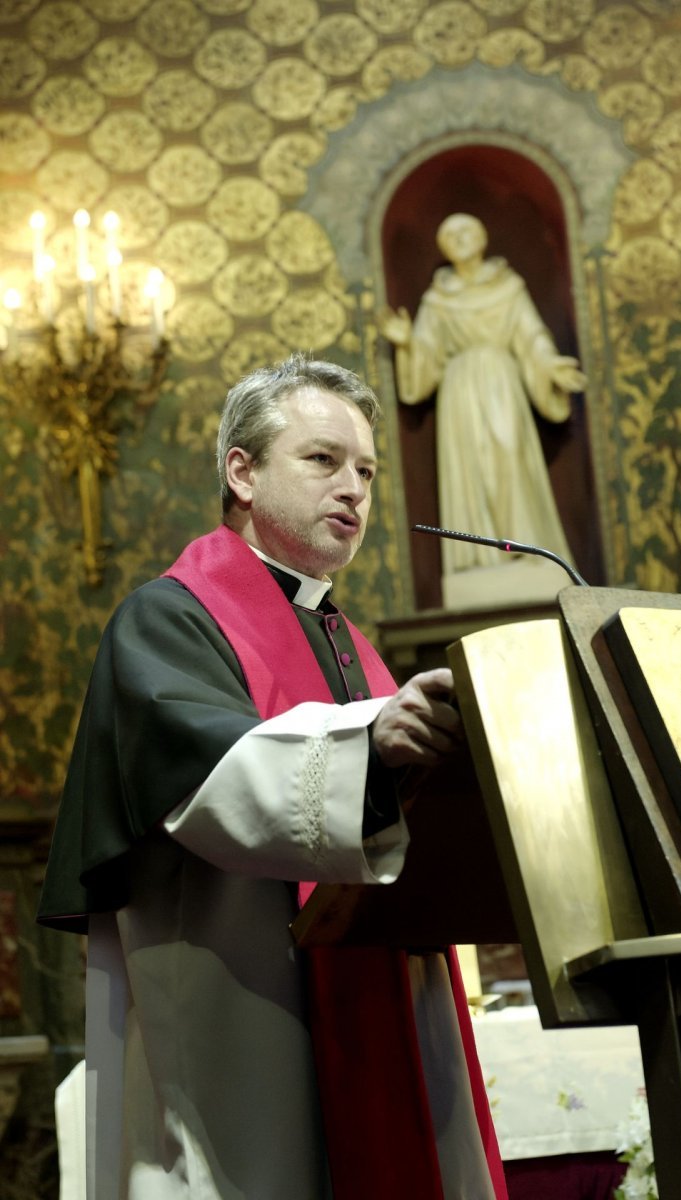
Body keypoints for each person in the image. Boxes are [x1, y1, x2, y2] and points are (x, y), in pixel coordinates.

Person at [38, 354, 508, 1200]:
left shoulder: (345, 640)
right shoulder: (168, 618)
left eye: (365, 470)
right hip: (240, 1002)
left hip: (372, 1000)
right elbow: (212, 777)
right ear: (241, 472)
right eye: (323, 460)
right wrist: (373, 736)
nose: (354, 489)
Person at [378, 212, 586, 577]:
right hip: (459, 390)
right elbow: (428, 353)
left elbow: (530, 335)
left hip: (502, 383)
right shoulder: (439, 298)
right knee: (468, 466)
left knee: (509, 458)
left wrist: (551, 365)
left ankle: (524, 550)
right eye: (450, 234)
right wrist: (408, 344)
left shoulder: (509, 286)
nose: (459, 238)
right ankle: (481, 559)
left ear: (483, 236)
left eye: (466, 230)